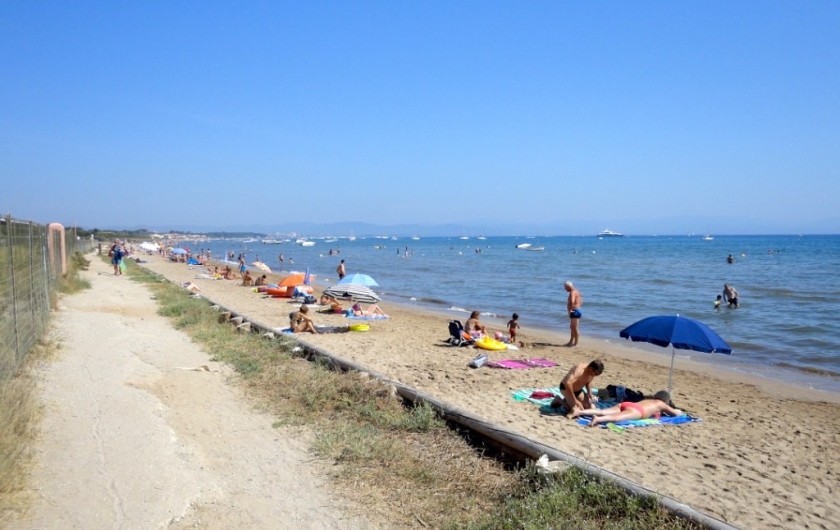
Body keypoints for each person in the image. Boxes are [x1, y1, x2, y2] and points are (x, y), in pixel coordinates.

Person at [571, 390, 684, 427]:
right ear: (665, 400)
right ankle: (598, 420)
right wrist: (679, 411)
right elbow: (675, 414)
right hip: (638, 411)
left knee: (602, 411)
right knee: (617, 418)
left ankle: (580, 411)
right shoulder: (662, 404)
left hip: (629, 404)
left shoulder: (650, 399)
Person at [564, 281, 582, 346]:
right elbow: (581, 300)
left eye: (565, 288)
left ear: (568, 287)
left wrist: (570, 311)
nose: (565, 289)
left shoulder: (572, 292)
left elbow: (572, 301)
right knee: (572, 327)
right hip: (577, 310)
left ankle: (576, 343)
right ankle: (571, 342)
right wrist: (578, 307)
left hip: (574, 311)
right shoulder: (577, 291)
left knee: (575, 327)